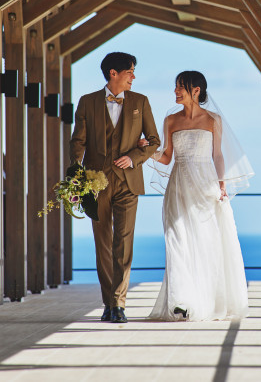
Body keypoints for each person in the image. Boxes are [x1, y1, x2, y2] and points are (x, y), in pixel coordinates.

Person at [145, 71, 252, 321]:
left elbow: (218, 155)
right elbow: (166, 157)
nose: (175, 91)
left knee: (206, 243)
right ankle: (181, 301)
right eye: (175, 87)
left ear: (196, 90)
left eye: (180, 87)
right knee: (175, 238)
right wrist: (146, 152)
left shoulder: (213, 119)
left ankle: (204, 300)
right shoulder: (170, 120)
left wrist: (222, 184)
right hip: (178, 185)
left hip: (205, 185)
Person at [69, 52, 160, 324]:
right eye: (130, 71)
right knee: (103, 244)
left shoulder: (140, 102)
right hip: (95, 185)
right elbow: (78, 142)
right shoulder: (87, 102)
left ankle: (119, 303)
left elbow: (154, 141)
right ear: (113, 73)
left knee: (124, 241)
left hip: (129, 182)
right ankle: (108, 302)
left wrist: (134, 156)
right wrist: (76, 173)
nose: (134, 76)